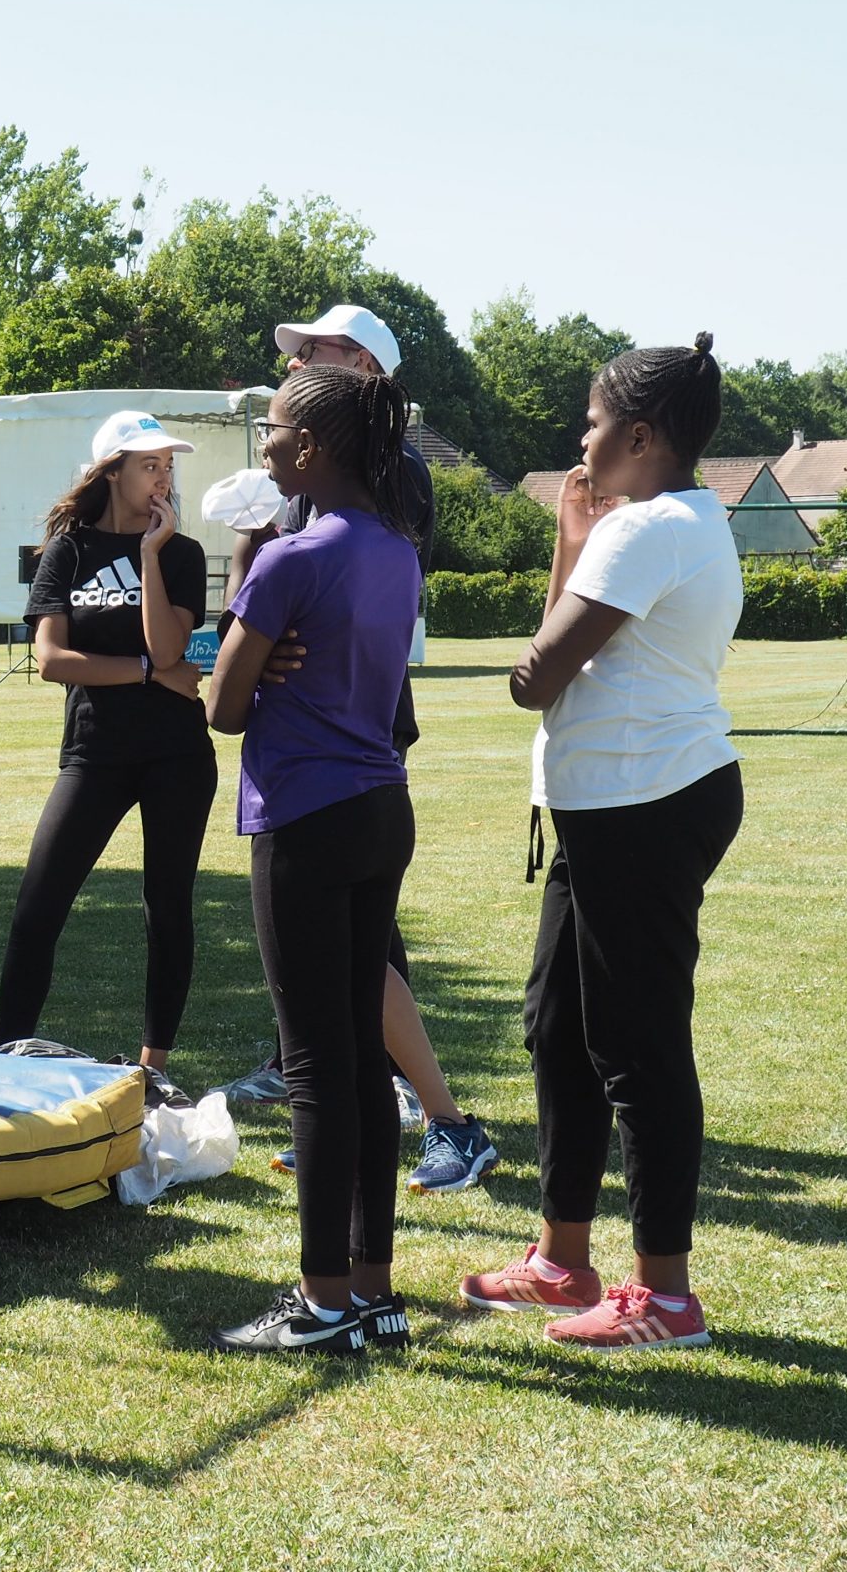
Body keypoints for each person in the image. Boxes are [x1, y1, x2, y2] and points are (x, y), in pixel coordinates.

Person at [459, 333, 742, 1352]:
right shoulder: (680, 522)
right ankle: (560, 1259)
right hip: (618, 804)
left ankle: (664, 1298)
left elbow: (537, 673)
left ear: (639, 433)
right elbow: (563, 659)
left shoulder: (647, 532)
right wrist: (571, 539)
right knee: (556, 1025)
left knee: (636, 1044)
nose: (579, 440)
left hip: (643, 804)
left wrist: (578, 546)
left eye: (589, 421)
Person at [234, 303, 498, 1196]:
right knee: (357, 953)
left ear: (366, 372)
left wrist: (274, 628)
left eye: (317, 352)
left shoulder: (394, 475)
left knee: (363, 953)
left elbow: (336, 595)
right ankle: (358, 1117)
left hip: (346, 736)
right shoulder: (337, 473)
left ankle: (448, 1125)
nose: (298, 360)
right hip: (342, 736)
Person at [206, 365, 424, 1357]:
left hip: (304, 816)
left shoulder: (287, 559)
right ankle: (373, 1294)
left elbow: (222, 706)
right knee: (361, 1061)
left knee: (312, 1070)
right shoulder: (396, 549)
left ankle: (320, 1302)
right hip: (383, 809)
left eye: (278, 430)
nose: (266, 444)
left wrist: (256, 638)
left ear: (316, 451)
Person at [0, 411, 219, 1092]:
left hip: (177, 754)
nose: (163, 477)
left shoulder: (180, 554)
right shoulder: (67, 551)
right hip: (95, 751)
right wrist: (148, 675)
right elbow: (52, 660)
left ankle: (154, 1068)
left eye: (168, 466)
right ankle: (3, 1057)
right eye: (149, 465)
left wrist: (149, 557)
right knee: (39, 902)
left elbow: (171, 646)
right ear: (112, 472)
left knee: (167, 904)